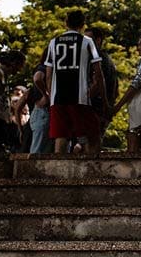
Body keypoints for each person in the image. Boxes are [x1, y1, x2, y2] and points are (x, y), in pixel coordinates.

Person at [44, 10, 105, 155]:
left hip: (57, 97)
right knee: (93, 135)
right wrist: (103, 98)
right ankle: (92, 171)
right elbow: (98, 72)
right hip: (80, 96)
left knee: (61, 135)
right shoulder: (87, 42)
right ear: (83, 25)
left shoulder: (53, 42)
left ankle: (59, 173)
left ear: (66, 23)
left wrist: (51, 95)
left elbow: (48, 74)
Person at [112, 35, 141, 154]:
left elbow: (137, 82)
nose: (138, 48)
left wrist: (118, 106)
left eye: (140, 44)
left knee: (134, 131)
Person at [0, 50, 25, 150]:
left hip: (1, 120)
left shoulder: (3, 76)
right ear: (13, 63)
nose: (20, 70)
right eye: (20, 65)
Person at [85, 26, 118, 135]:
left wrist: (82, 101)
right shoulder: (107, 59)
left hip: (96, 107)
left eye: (88, 39)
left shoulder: (97, 58)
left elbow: (98, 83)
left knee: (90, 141)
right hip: (103, 108)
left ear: (98, 40)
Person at [27, 51, 53, 155]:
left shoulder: (44, 67)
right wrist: (46, 95)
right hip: (42, 111)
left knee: (43, 150)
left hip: (43, 111)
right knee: (37, 151)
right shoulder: (43, 67)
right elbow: (37, 78)